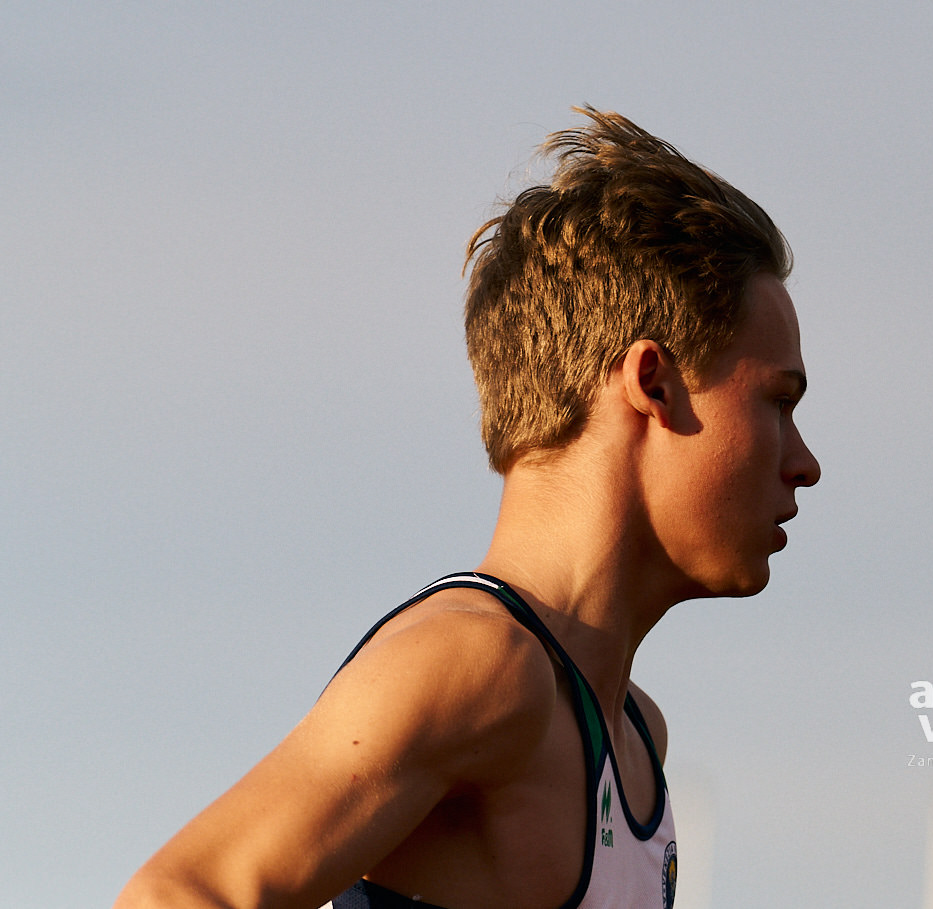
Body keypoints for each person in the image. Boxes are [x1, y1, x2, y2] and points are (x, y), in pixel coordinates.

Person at [117, 108, 821, 909]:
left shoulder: (637, 737)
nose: (805, 463)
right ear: (653, 384)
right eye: (778, 401)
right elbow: (175, 893)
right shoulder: (476, 666)